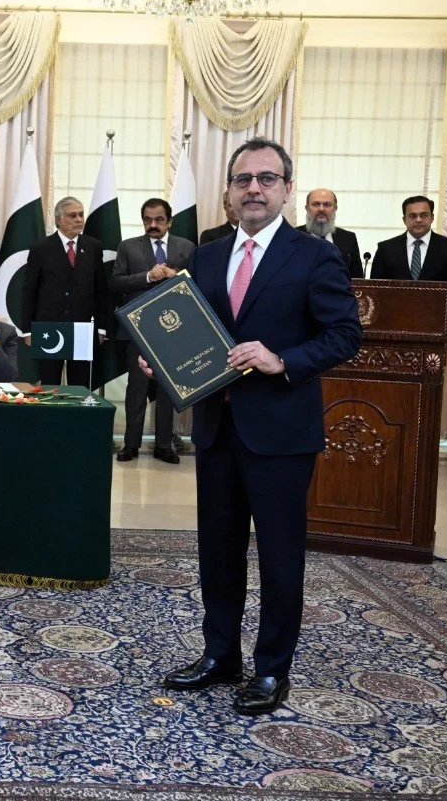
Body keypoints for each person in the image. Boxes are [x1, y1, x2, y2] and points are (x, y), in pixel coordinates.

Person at [147, 138, 361, 714]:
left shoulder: (315, 256)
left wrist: (281, 359)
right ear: (229, 191)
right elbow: (191, 333)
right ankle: (221, 655)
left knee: (279, 557)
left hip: (281, 434)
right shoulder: (207, 256)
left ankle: (271, 670)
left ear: (287, 189)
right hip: (216, 429)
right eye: (243, 180)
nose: (254, 189)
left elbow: (345, 336)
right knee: (218, 552)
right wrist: (160, 359)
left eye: (267, 179)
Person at [111, 199, 194, 464]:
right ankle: (131, 444)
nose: (153, 225)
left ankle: (163, 445)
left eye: (158, 220)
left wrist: (175, 275)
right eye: (147, 219)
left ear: (169, 221)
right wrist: (148, 276)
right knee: (136, 388)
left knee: (168, 389)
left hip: (173, 329)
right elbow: (116, 282)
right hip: (139, 329)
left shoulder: (186, 247)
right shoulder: (128, 247)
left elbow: (197, 283)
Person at [18, 197, 108, 388]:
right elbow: (29, 291)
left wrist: (101, 328)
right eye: (72, 215)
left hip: (82, 328)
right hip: (48, 328)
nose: (79, 219)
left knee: (80, 385)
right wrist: (27, 330)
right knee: (50, 384)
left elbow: (101, 290)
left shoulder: (93, 246)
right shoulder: (41, 248)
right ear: (58, 219)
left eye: (81, 214)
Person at [370, 195, 447, 335]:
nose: (419, 220)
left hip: (437, 329)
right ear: (404, 220)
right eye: (413, 216)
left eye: (424, 215)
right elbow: (376, 292)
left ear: (432, 218)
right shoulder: (386, 249)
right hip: (394, 328)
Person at [296, 188, 364, 279]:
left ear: (335, 208)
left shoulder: (348, 238)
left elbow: (357, 279)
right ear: (307, 208)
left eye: (327, 205)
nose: (321, 209)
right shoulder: (293, 236)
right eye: (316, 204)